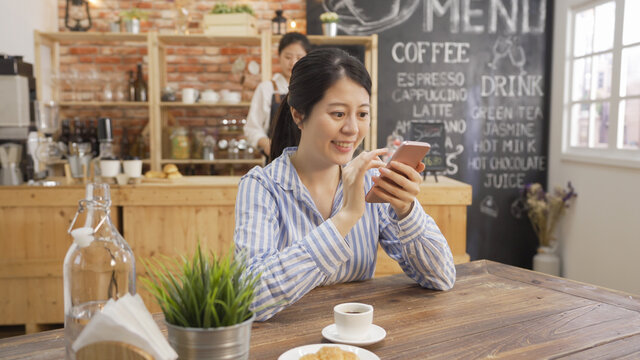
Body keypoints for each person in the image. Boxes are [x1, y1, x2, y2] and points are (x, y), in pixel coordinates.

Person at [234, 48, 456, 321]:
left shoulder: (371, 182)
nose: (352, 129)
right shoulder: (261, 187)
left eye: (362, 114)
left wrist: (407, 211)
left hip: (359, 341)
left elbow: (441, 277)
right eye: (338, 114)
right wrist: (346, 217)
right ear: (299, 115)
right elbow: (248, 298)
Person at [244, 32, 312, 158]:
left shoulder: (313, 89)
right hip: (275, 159)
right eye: (288, 57)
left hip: (308, 161)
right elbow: (251, 128)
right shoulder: (266, 88)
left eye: (299, 57)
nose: (293, 62)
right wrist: (266, 144)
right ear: (278, 56)